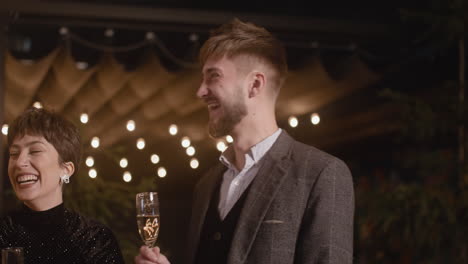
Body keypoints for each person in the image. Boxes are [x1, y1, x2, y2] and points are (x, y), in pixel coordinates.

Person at [136, 18, 355, 264]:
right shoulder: (207, 185)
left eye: (213, 76)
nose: (200, 91)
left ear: (254, 84)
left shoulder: (321, 173)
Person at [0, 107, 125, 264]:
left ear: (66, 170)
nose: (19, 162)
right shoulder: (3, 233)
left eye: (35, 151)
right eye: (13, 154)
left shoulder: (95, 239)